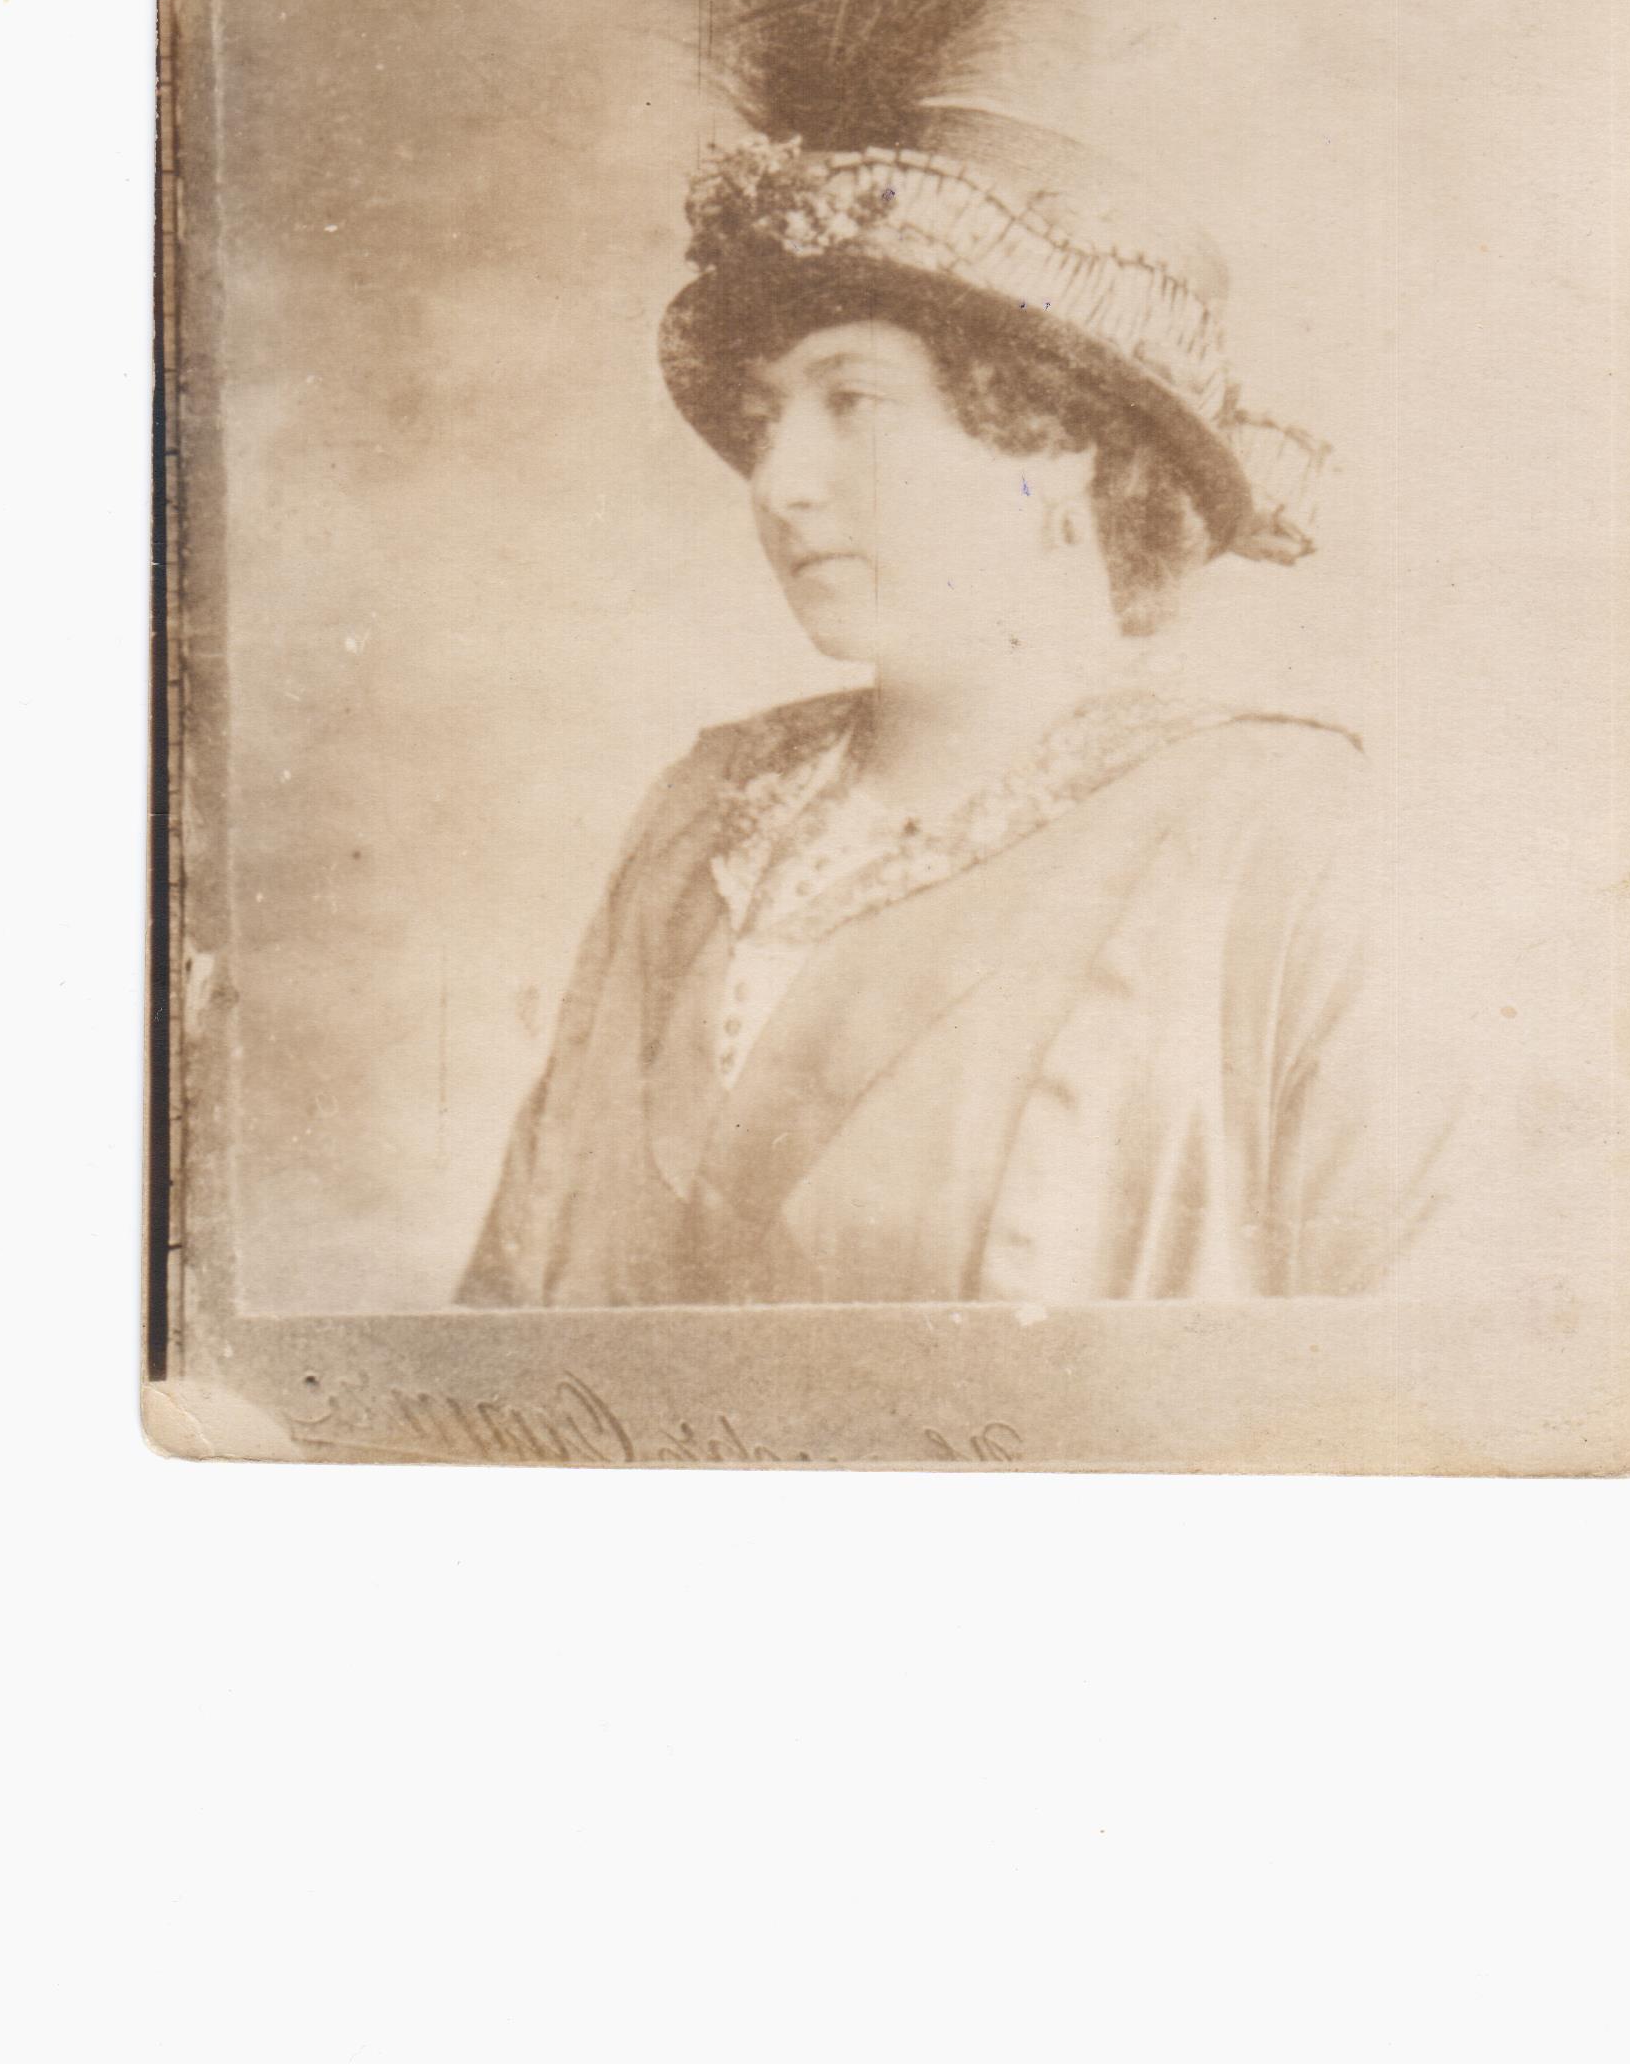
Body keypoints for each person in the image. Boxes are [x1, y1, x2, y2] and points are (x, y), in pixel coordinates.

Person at [457, 106, 1451, 1306]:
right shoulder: (703, 810)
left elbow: (1401, 1356)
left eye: (854, 403)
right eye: (765, 421)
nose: (776, 483)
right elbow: (516, 1289)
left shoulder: (1282, 830)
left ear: (1062, 441)